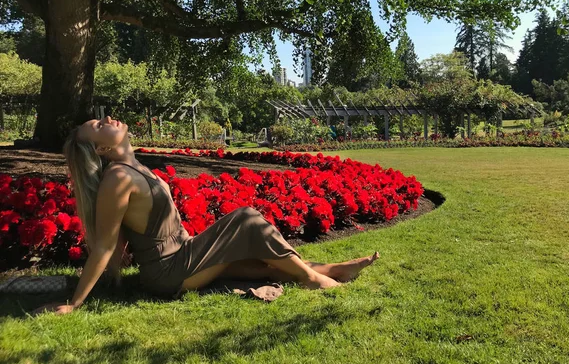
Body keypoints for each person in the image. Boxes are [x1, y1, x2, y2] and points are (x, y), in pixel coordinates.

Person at [34, 116, 380, 315]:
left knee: (256, 265)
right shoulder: (118, 178)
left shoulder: (131, 167)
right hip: (169, 271)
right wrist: (75, 303)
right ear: (101, 148)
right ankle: (314, 278)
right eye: (98, 125)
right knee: (246, 218)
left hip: (184, 254)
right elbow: (105, 246)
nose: (107, 119)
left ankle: (332, 269)